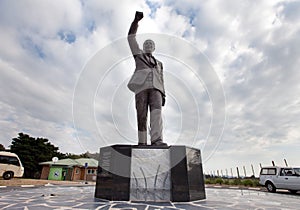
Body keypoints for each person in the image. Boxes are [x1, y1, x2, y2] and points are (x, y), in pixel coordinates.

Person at [127, 11, 167, 146]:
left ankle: (157, 140)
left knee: (157, 114)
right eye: (146, 44)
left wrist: (164, 94)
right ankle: (142, 141)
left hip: (157, 89)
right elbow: (131, 38)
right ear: (143, 47)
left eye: (151, 44)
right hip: (141, 86)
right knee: (142, 114)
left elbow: (161, 78)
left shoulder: (160, 64)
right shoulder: (138, 55)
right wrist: (136, 21)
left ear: (154, 48)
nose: (148, 46)